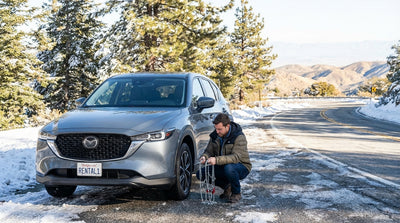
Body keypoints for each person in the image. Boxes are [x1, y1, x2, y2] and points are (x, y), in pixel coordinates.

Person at [196, 113, 252, 203]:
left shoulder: (238, 136)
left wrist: (216, 160)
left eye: (220, 129)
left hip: (241, 166)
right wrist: (205, 157)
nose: (217, 131)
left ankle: (236, 193)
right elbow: (209, 151)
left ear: (227, 126)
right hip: (223, 165)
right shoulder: (215, 135)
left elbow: (236, 157)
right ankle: (227, 186)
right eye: (216, 129)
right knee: (201, 173)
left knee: (229, 168)